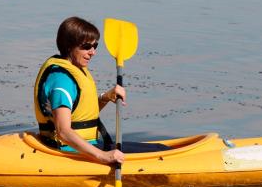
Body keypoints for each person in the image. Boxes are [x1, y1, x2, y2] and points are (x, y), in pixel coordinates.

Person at [34, 16, 168, 164]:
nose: (93, 52)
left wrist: (105, 97)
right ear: (69, 46)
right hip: (70, 152)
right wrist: (102, 156)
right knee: (163, 153)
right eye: (86, 47)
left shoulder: (74, 70)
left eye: (95, 46)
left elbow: (81, 117)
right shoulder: (62, 81)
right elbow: (63, 131)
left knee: (161, 148)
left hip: (85, 147)